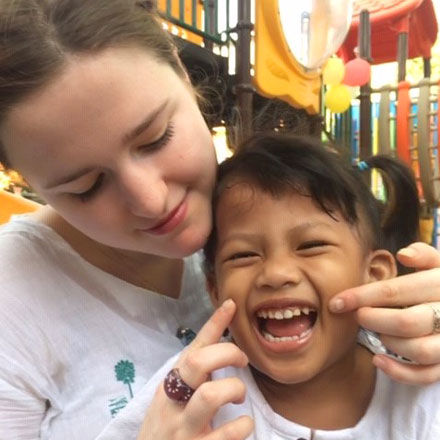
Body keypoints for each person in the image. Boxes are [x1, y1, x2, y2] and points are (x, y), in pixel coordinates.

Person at [1, 0, 440, 439]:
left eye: (156, 139)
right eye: (86, 187)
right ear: (22, 177)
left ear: (181, 70)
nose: (153, 202)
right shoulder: (14, 302)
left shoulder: (254, 204)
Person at [97, 133, 440, 440]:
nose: (276, 273)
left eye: (311, 245)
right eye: (243, 255)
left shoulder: (419, 387)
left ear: (376, 274)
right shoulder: (192, 390)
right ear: (215, 290)